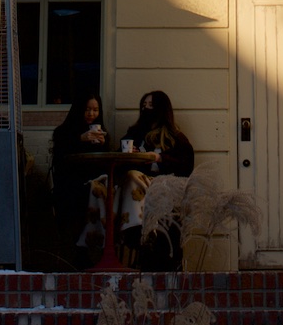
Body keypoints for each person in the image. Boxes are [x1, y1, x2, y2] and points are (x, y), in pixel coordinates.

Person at [119, 90, 194, 270]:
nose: (146, 109)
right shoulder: (134, 134)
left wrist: (160, 158)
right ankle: (136, 231)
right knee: (129, 177)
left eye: (151, 105)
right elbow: (120, 156)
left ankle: (142, 233)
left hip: (162, 185)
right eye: (143, 105)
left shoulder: (175, 137)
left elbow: (186, 165)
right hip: (137, 185)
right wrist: (130, 156)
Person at [50, 95, 111, 261]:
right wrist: (80, 139)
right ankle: (81, 250)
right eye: (87, 109)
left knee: (105, 189)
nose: (91, 114)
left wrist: (103, 145)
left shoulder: (102, 133)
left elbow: (104, 162)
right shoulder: (64, 132)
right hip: (71, 183)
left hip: (95, 179)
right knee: (85, 194)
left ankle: (103, 246)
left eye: (95, 110)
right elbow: (61, 160)